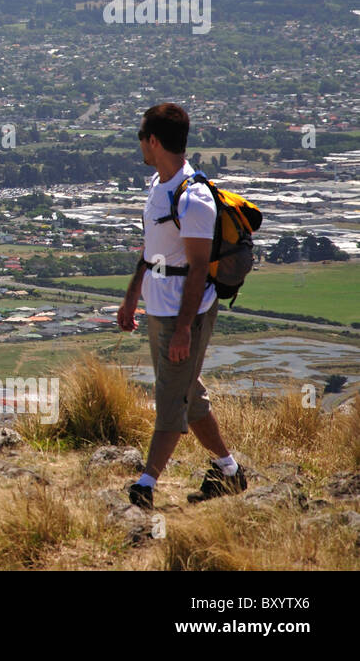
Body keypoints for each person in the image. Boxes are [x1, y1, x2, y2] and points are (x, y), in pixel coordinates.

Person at [116, 103, 245, 508]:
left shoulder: (194, 199)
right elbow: (152, 250)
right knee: (188, 394)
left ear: (154, 141)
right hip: (159, 307)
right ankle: (230, 471)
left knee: (171, 398)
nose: (139, 144)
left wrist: (186, 328)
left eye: (141, 136)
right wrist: (133, 292)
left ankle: (146, 485)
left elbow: (196, 270)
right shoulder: (159, 186)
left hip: (183, 313)